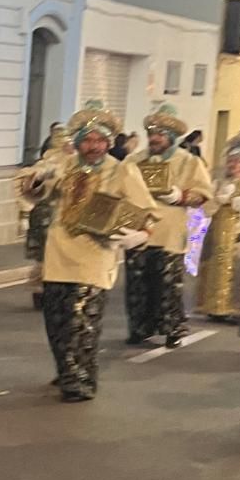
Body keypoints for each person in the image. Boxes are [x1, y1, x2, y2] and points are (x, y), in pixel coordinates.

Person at [24, 102, 157, 402]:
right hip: (58, 255)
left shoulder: (123, 171)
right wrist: (37, 179)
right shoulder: (66, 167)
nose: (93, 146)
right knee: (56, 320)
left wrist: (140, 234)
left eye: (99, 140)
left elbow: (146, 210)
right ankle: (67, 367)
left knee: (82, 320)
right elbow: (36, 195)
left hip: (96, 256)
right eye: (87, 140)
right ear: (78, 142)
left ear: (108, 142)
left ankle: (80, 381)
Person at [125, 104, 215, 349]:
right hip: (139, 230)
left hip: (170, 232)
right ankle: (139, 327)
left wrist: (180, 196)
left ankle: (172, 328)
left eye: (160, 134)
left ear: (171, 137)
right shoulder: (135, 160)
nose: (154, 138)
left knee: (167, 285)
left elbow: (204, 193)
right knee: (137, 284)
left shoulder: (188, 162)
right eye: (152, 134)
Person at [196, 133, 240, 324]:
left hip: (238, 231)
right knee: (214, 265)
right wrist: (217, 200)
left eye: (237, 161)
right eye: (230, 160)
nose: (233, 164)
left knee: (237, 267)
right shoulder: (219, 182)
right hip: (217, 230)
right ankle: (214, 306)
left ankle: (234, 307)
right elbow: (205, 209)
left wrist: (238, 203)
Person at [19, 126, 71, 310]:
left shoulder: (75, 162)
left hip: (60, 217)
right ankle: (43, 293)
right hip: (47, 216)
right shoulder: (51, 162)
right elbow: (29, 182)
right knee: (46, 258)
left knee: (55, 258)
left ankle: (50, 293)